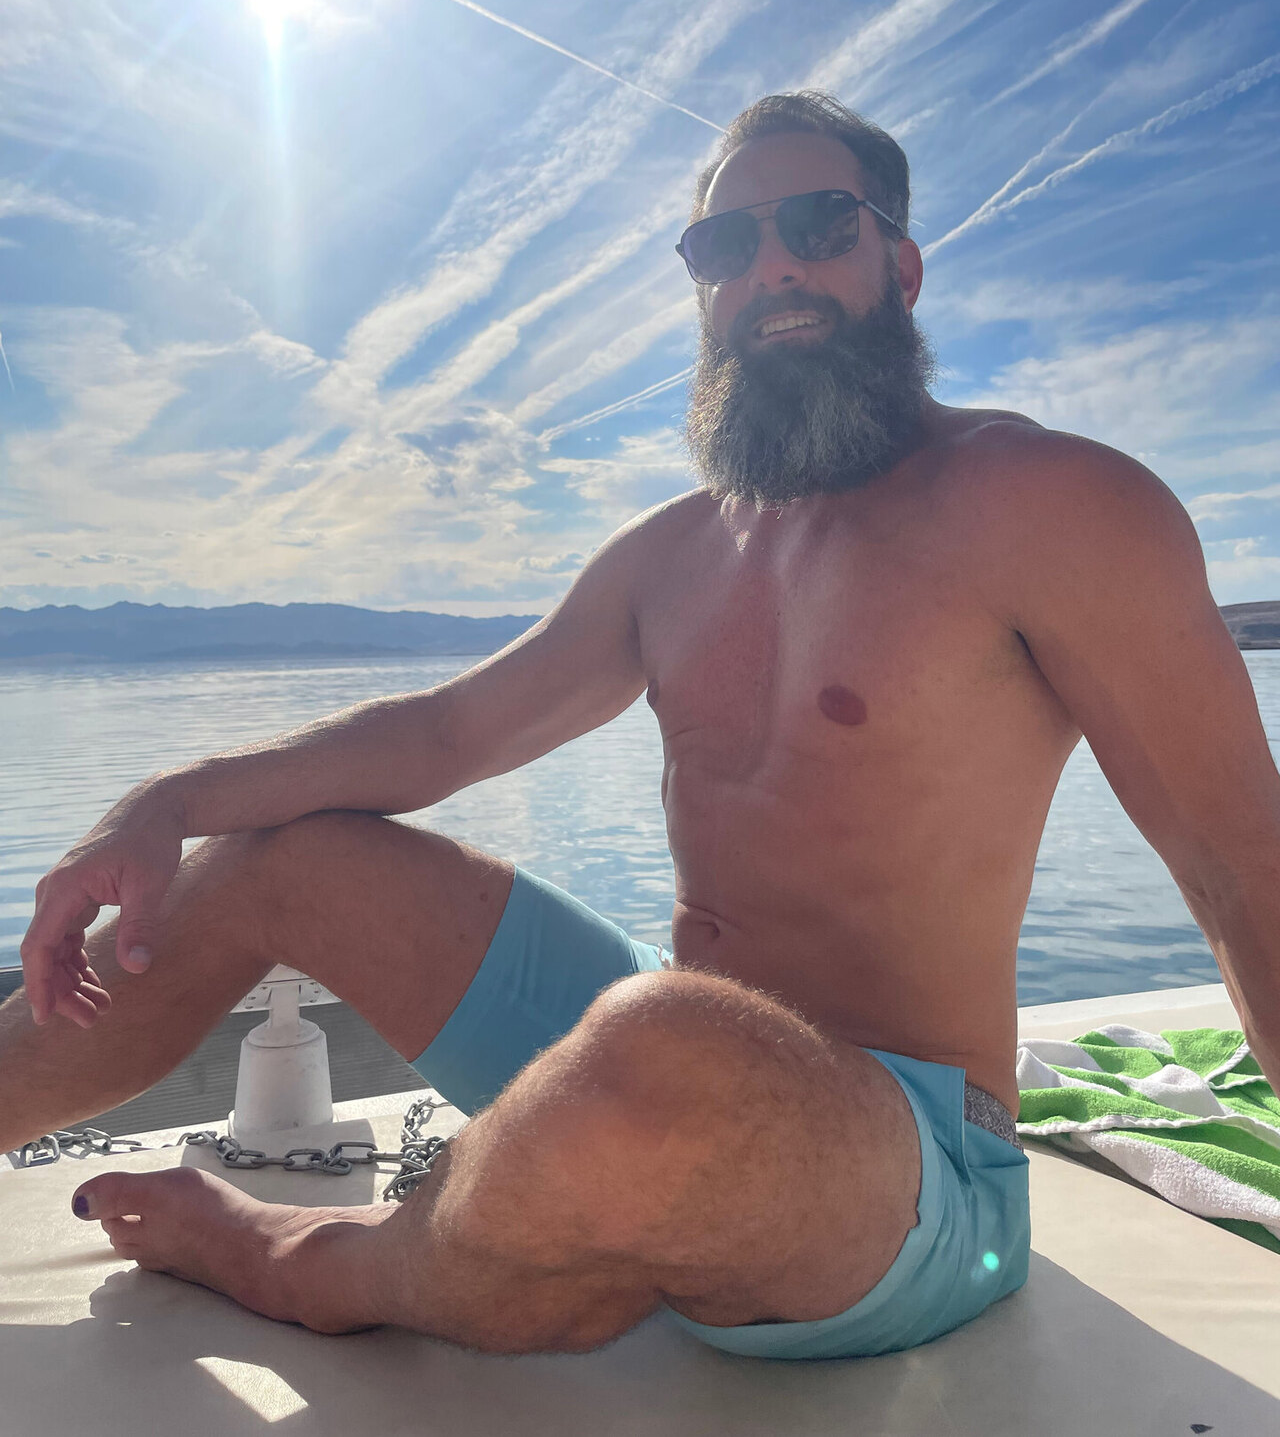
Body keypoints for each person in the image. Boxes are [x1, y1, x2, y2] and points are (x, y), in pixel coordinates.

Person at [3, 92, 1278, 1357]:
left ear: (898, 266)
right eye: (724, 245)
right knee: (280, 857)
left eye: (818, 224)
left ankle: (318, 1266)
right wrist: (163, 804)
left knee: (664, 1045)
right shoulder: (669, 555)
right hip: (661, 1061)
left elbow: (1240, 868)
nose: (770, 267)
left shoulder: (1050, 503)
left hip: (907, 1160)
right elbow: (446, 734)